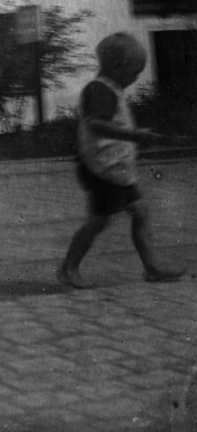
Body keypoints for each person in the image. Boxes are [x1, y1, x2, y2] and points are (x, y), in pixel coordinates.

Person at [56, 32, 187, 289]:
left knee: (140, 212)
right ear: (118, 66)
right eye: (135, 72)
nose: (136, 78)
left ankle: (152, 266)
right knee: (99, 221)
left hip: (115, 169)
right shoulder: (100, 89)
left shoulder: (109, 89)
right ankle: (68, 268)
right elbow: (95, 124)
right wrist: (134, 135)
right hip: (102, 170)